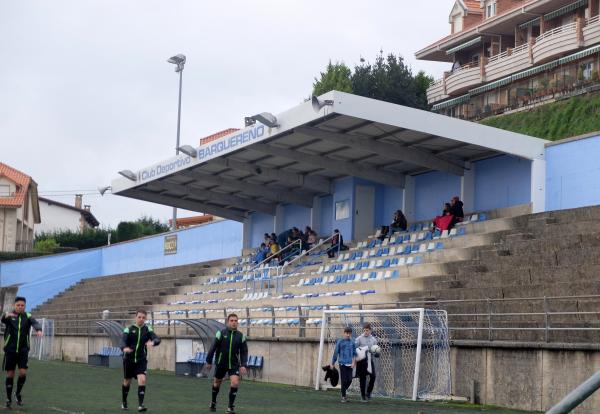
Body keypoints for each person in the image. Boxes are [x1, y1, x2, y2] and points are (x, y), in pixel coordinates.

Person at [1, 296, 43, 408]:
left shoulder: (28, 316)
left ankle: (17, 393)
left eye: (22, 305)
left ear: (25, 306)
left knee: (23, 373)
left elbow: (35, 323)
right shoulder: (10, 316)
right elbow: (3, 319)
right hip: (10, 350)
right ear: (14, 305)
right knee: (10, 374)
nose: (20, 307)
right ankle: (8, 398)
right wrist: (5, 315)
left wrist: (38, 329)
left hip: (23, 350)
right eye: (18, 305)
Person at [120, 309, 161, 412]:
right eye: (139, 317)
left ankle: (141, 405)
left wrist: (154, 342)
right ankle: (124, 402)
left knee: (142, 380)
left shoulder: (148, 329)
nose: (141, 319)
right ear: (135, 317)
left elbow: (156, 338)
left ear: (145, 318)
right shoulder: (128, 329)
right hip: (128, 360)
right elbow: (123, 341)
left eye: (143, 317)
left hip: (141, 360)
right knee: (126, 382)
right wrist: (124, 348)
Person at [206, 314, 248, 414]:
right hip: (221, 363)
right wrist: (209, 361)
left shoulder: (241, 336)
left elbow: (244, 352)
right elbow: (213, 348)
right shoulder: (221, 333)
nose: (234, 322)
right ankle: (213, 402)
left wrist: (243, 365)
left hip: (234, 364)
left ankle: (230, 407)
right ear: (227, 322)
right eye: (232, 320)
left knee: (235, 383)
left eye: (236, 321)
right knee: (216, 383)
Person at [330, 327, 356, 403]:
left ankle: (343, 391)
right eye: (346, 333)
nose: (348, 335)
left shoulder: (352, 342)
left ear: (351, 334)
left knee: (350, 380)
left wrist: (354, 362)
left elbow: (355, 354)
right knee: (344, 380)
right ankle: (343, 396)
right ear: (344, 333)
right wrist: (332, 363)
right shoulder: (340, 342)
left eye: (349, 333)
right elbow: (335, 353)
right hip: (342, 364)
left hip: (350, 364)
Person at [355, 323, 378, 402]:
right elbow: (355, 349)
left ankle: (368, 392)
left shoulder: (374, 339)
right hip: (361, 361)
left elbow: (375, 351)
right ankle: (362, 396)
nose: (366, 332)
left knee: (373, 376)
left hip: (369, 360)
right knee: (362, 378)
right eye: (364, 330)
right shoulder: (359, 339)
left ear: (370, 330)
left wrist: (377, 353)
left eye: (367, 330)